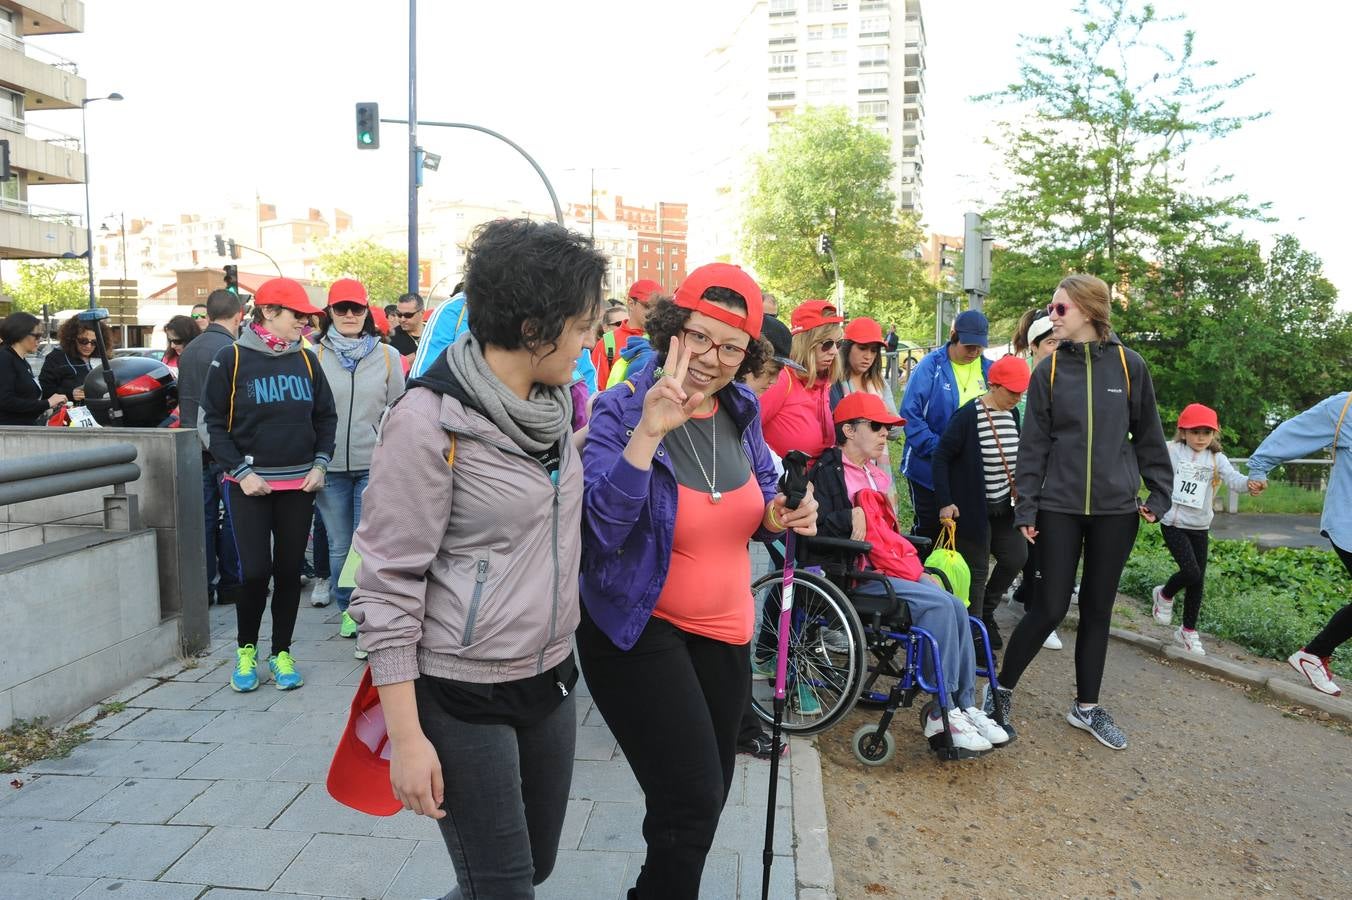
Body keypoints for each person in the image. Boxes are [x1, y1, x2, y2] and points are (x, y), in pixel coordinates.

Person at [348, 219, 605, 898]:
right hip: (461, 692)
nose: (591, 340)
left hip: (549, 677)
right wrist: (407, 740)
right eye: (582, 325)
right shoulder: (430, 421)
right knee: (503, 887)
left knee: (533, 867)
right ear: (534, 328)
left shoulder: (551, 412)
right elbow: (387, 585)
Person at [578, 263, 816, 898]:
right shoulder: (621, 408)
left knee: (699, 802)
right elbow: (599, 530)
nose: (715, 358)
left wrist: (782, 513)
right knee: (692, 797)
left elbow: (761, 504)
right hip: (639, 628)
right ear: (670, 331)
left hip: (726, 631)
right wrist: (647, 435)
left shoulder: (741, 410)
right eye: (701, 338)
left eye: (733, 346)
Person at [988, 274, 1172, 751]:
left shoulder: (1131, 367)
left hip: (1116, 511)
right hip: (1058, 508)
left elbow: (1149, 435)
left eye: (1060, 309)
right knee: (1048, 607)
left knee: (1097, 608)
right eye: (1052, 309)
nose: (1051, 316)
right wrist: (1025, 505)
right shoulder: (1047, 373)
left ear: (1088, 311)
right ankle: (1000, 691)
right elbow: (1033, 448)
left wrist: (1159, 494)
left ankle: (1086, 707)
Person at [811, 391, 1009, 753]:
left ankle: (961, 704)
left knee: (952, 603)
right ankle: (941, 709)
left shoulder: (876, 476)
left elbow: (890, 536)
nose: (886, 433)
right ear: (849, 430)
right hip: (859, 577)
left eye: (888, 428)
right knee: (937, 607)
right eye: (877, 426)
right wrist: (847, 517)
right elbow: (813, 530)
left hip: (891, 570)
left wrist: (917, 569)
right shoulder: (826, 473)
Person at [199, 278, 337, 693]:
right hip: (249, 486)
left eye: (307, 315)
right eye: (297, 314)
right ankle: (246, 650)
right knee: (255, 572)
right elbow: (210, 423)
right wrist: (241, 472)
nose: (305, 321)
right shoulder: (232, 358)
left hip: (300, 485)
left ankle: (281, 652)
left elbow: (326, 418)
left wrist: (321, 464)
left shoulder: (309, 361)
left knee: (290, 571)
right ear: (269, 312)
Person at [313, 278, 404, 644]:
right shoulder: (312, 355)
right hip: (328, 465)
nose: (349, 315)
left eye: (356, 308)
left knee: (366, 544)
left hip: (373, 464)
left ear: (367, 313)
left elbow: (398, 408)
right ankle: (346, 608)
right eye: (341, 308)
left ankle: (367, 608)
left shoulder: (387, 356)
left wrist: (389, 450)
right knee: (338, 544)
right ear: (329, 313)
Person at [1247, 391, 1352, 697]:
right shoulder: (1344, 408)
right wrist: (1260, 467)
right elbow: (1293, 431)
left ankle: (1315, 653)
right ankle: (1315, 653)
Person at [932, 355, 1031, 653]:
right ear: (993, 385)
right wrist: (945, 501)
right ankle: (972, 634)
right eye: (1011, 391)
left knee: (1016, 556)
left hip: (1004, 506)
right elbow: (941, 458)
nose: (1017, 397)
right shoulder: (967, 416)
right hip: (972, 509)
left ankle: (986, 611)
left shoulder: (1012, 415)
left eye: (1020, 391)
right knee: (976, 572)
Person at [1150, 404, 1253, 656]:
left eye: (1206, 433)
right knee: (1191, 572)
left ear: (1214, 435)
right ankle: (1164, 595)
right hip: (1173, 522)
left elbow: (1235, 481)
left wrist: (1251, 484)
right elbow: (1147, 458)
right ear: (1183, 432)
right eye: (1195, 432)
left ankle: (1187, 631)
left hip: (1199, 526)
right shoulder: (1171, 450)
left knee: (1198, 581)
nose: (1200, 438)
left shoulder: (1218, 459)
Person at [177, 289, 245, 607]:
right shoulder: (232, 349)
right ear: (238, 316)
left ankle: (202, 586)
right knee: (234, 518)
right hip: (225, 447)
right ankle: (231, 583)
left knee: (203, 518)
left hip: (194, 447)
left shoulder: (189, 349)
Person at [900, 309, 992, 543]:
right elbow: (910, 414)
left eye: (979, 347)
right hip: (927, 467)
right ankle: (918, 574)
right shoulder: (930, 366)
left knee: (960, 531)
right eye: (968, 346)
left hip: (967, 469)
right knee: (930, 530)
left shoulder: (988, 369)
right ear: (953, 336)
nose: (973, 352)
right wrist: (941, 449)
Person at [1009, 308, 1065, 650]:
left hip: (1059, 478)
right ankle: (1038, 611)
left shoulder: (1068, 380)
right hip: (1026, 477)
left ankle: (1031, 600)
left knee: (1046, 546)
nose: (1055, 349)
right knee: (1034, 545)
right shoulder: (1024, 385)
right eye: (1049, 343)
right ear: (1034, 346)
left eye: (1060, 342)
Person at [759, 299, 844, 461]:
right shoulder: (782, 379)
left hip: (817, 483)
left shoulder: (824, 383)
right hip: (780, 483)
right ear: (806, 343)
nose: (834, 351)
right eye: (827, 344)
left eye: (838, 344)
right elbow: (744, 433)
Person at [831, 316, 902, 472]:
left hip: (878, 470)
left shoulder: (879, 383)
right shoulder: (833, 383)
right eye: (862, 348)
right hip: (843, 469)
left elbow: (897, 431)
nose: (868, 356)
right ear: (847, 347)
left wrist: (881, 412)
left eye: (873, 350)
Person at [591, 277, 659, 390]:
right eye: (647, 306)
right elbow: (596, 390)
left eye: (657, 307)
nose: (653, 312)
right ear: (631, 303)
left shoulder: (664, 339)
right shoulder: (608, 342)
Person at [1, 312, 65, 426]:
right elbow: (5, 401)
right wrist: (47, 403)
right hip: (10, 434)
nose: (40, 340)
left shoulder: (20, 360)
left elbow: (25, 399)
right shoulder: (5, 358)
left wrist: (47, 404)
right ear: (21, 334)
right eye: (37, 336)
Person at [39, 316, 110, 403]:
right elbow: (45, 390)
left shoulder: (103, 358)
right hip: (71, 412)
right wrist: (70, 393)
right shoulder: (56, 358)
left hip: (101, 409)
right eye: (83, 341)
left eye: (94, 342)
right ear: (72, 338)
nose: (88, 346)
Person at [410, 285, 469, 378]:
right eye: (399, 314)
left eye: (408, 315)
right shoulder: (451, 310)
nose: (403, 318)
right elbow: (422, 377)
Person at [388, 291, 425, 358]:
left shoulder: (434, 333)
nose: (402, 319)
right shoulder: (391, 338)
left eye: (408, 315)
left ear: (421, 313)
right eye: (399, 314)